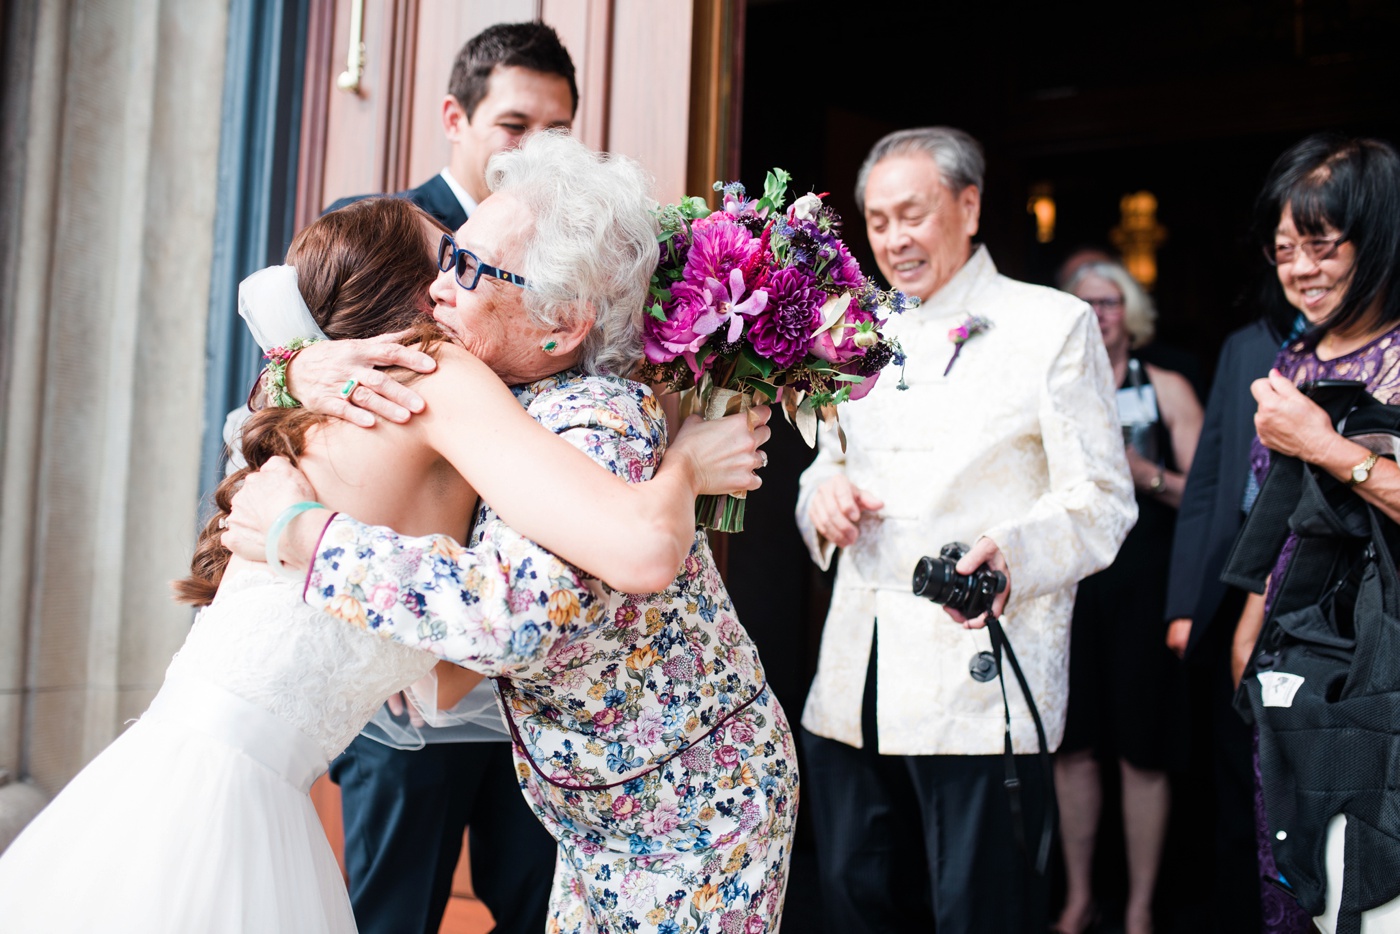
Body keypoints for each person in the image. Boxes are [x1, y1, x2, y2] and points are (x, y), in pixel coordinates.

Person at [0, 194, 770, 932]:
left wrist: (290, 376)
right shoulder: (436, 376)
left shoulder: (332, 409)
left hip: (174, 773)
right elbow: (635, 547)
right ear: (420, 299)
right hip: (248, 800)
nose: (452, 279)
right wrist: (685, 467)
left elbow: (446, 678)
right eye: (449, 260)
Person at [225, 131, 799, 934]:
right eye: (447, 255)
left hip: (690, 812)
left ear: (560, 322)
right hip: (605, 811)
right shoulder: (514, 404)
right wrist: (291, 370)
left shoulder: (595, 424)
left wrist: (306, 535)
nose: (437, 290)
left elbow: (510, 618)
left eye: (468, 269)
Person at [795, 126, 1136, 933]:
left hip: (977, 676)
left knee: (976, 908)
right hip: (857, 671)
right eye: (877, 221)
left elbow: (1102, 497)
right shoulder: (853, 331)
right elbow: (823, 463)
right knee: (853, 892)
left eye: (910, 214)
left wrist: (1012, 553)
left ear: (970, 205)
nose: (892, 239)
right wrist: (823, 495)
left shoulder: (1050, 324)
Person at [319, 22, 577, 934]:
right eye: (515, 125)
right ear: (454, 119)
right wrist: (293, 367)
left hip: (528, 653)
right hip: (400, 650)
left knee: (535, 903)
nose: (534, 151)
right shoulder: (382, 233)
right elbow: (292, 405)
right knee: (389, 910)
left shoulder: (570, 253)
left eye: (558, 131)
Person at [1227, 134, 1400, 934]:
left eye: (1322, 244)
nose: (1300, 268)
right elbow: (1279, 520)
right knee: (1295, 880)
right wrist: (1250, 626)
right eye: (1285, 248)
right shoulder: (1292, 355)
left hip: (1384, 666)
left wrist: (1328, 447)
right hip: (1294, 663)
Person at [1053, 260, 1204, 934]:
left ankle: (1140, 910)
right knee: (1074, 746)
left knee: (1142, 748)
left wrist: (1142, 475)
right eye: (1083, 303)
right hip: (1072, 586)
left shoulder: (1164, 385)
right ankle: (1080, 899)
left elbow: (1207, 497)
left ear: (1129, 311)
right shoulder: (1054, 387)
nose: (1098, 314)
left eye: (1109, 302)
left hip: (1146, 586)